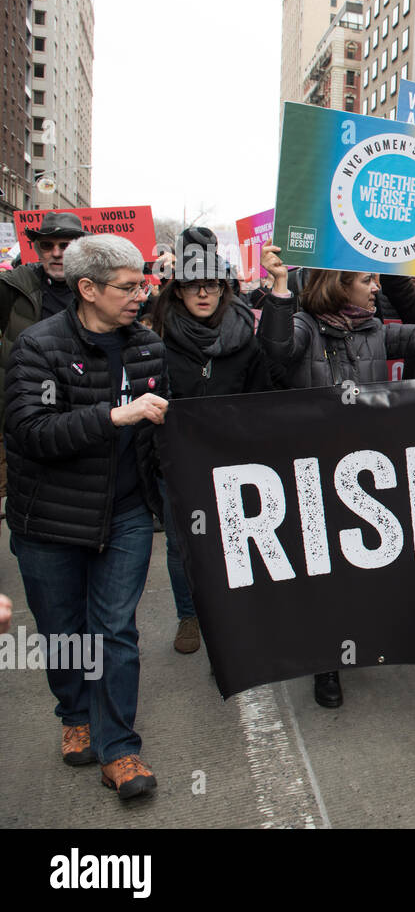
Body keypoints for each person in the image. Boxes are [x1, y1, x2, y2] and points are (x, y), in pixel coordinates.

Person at [257, 244, 415, 707]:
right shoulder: (302, 327)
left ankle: (357, 639)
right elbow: (275, 348)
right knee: (323, 568)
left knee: (360, 562)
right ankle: (326, 665)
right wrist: (279, 285)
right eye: (368, 281)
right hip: (313, 469)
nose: (377, 288)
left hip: (364, 469)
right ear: (341, 286)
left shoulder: (377, 330)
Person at [6, 235, 170, 799]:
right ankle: (74, 712)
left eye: (142, 283)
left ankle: (120, 750)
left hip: (125, 516)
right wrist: (113, 415)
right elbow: (30, 433)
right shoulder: (37, 347)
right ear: (87, 289)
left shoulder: (148, 347)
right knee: (63, 632)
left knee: (114, 630)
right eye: (128, 287)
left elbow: (165, 428)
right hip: (49, 520)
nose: (139, 294)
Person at [150, 234, 278, 654]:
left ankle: (231, 614)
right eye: (192, 285)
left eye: (211, 284)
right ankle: (189, 616)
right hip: (179, 461)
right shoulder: (156, 340)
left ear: (224, 288)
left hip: (231, 460)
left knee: (232, 542)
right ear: (177, 291)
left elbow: (261, 400)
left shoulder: (246, 338)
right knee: (180, 543)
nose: (202, 293)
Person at [1, 212, 88, 508]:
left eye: (65, 245)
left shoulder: (100, 289)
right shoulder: (14, 286)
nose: (56, 253)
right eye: (47, 245)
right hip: (23, 411)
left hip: (80, 411)